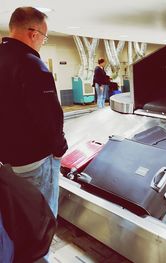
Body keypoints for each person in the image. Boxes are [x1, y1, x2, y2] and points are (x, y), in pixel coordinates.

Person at [0, 6, 67, 221]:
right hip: (34, 160)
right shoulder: (32, 65)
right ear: (33, 33)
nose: (41, 43)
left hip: (6, 159)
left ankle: (17, 254)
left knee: (18, 217)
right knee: (41, 221)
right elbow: (49, 116)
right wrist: (59, 148)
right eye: (44, 38)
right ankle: (39, 255)